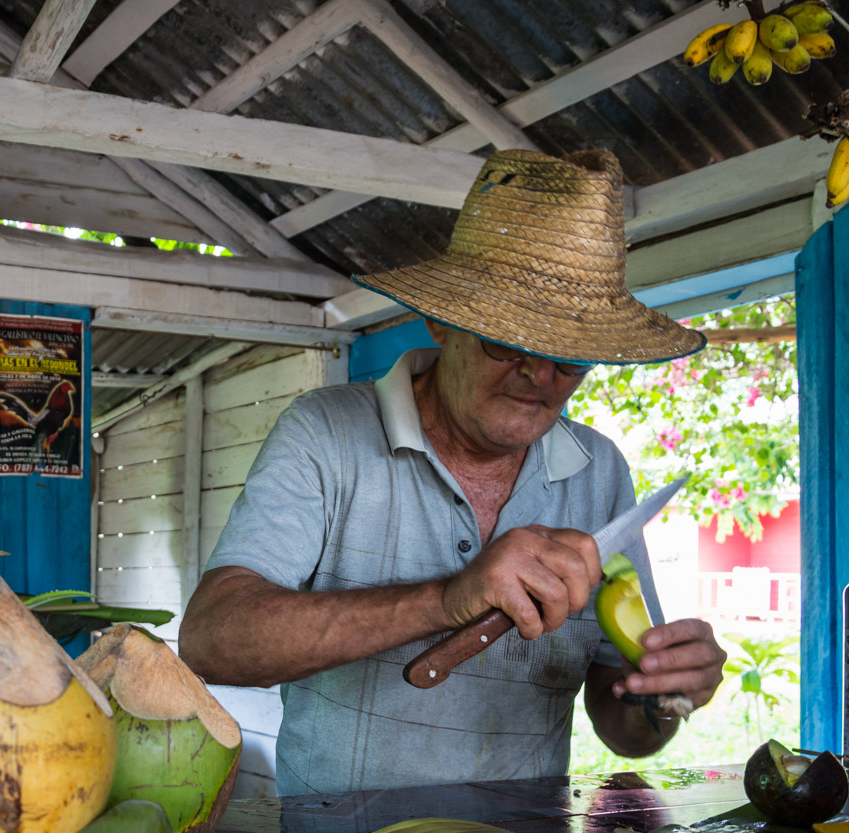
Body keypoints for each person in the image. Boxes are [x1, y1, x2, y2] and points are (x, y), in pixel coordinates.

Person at [178, 149, 728, 797]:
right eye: (509, 342)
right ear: (442, 320)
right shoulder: (326, 433)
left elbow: (624, 730)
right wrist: (445, 598)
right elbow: (212, 641)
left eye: (570, 359)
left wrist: (662, 696)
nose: (538, 376)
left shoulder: (598, 472)